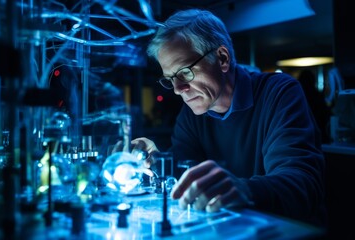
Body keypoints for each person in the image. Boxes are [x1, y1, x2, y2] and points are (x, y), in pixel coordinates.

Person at [131, 9, 327, 228]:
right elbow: (185, 175)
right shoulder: (193, 113)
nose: (178, 89)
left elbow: (303, 186)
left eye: (185, 72)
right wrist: (157, 162)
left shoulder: (279, 92)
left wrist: (245, 190)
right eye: (170, 79)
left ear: (222, 58)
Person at [297, 69, 332, 143]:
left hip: (301, 138)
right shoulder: (318, 97)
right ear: (313, 80)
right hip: (320, 137)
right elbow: (325, 116)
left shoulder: (297, 98)